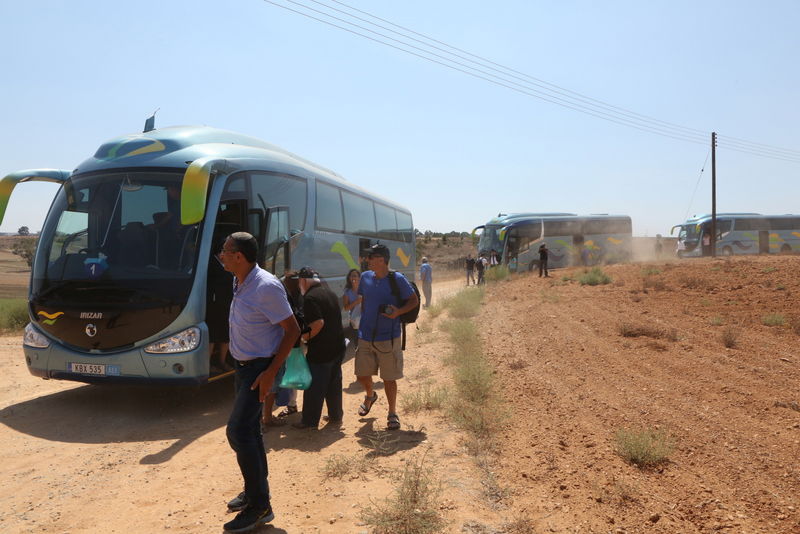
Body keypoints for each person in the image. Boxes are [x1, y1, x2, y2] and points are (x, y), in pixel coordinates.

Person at [218, 232, 300, 532]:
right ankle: (255, 493)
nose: (221, 255)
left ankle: (260, 505)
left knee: (237, 432)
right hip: (244, 368)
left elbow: (292, 330)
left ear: (239, 256)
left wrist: (270, 373)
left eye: (225, 251)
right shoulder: (240, 281)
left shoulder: (265, 286)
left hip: (260, 370)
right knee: (251, 431)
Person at [355, 243, 419, 431]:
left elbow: (413, 300)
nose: (367, 260)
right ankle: (370, 395)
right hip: (365, 335)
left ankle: (392, 413)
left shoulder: (396, 279)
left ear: (381, 260)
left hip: (388, 337)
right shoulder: (365, 277)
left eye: (371, 257)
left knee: (389, 378)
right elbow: (365, 300)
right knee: (361, 374)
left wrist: (398, 311)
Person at [293, 267, 346, 429]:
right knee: (333, 384)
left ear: (303, 281)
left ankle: (309, 421)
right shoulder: (328, 293)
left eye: (299, 282)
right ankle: (336, 416)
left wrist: (304, 337)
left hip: (321, 351)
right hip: (337, 347)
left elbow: (318, 323)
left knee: (315, 387)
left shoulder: (310, 298)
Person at [263, 271, 304, 427]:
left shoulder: (281, 298)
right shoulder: (297, 298)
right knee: (285, 378)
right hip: (291, 344)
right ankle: (278, 410)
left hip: (280, 344)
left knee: (273, 383)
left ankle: (267, 416)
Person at [207, 238, 233, 373]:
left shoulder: (228, 264)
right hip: (214, 308)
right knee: (212, 337)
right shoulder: (210, 265)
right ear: (220, 253)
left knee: (225, 336)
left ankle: (222, 362)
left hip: (227, 307)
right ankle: (207, 365)